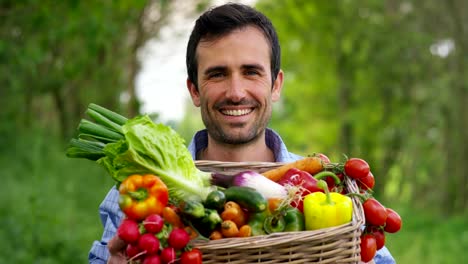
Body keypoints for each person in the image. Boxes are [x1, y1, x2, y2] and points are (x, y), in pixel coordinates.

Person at [88, 3, 395, 264]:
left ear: (276, 85)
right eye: (217, 74)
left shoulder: (329, 189)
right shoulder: (137, 193)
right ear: (194, 90)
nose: (235, 93)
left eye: (251, 72)